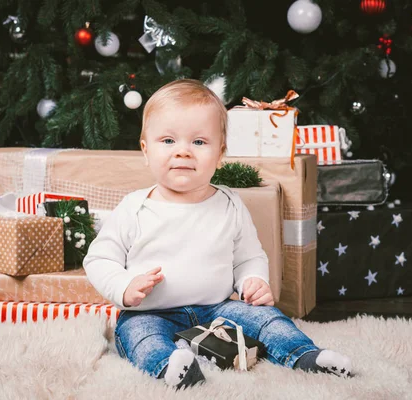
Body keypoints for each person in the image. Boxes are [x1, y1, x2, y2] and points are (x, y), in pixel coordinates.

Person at [83, 79, 352, 390]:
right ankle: (170, 367)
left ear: (220, 152)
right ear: (146, 150)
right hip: (151, 311)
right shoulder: (135, 207)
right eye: (168, 141)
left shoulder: (229, 204)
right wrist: (124, 286)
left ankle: (305, 355)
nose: (183, 152)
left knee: (267, 320)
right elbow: (100, 258)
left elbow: (249, 256)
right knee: (137, 336)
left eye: (199, 142)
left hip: (218, 307)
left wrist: (254, 280)